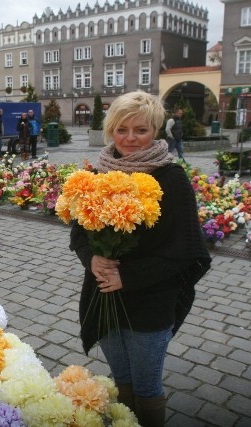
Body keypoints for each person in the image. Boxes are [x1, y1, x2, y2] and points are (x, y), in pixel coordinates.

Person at [68, 91, 211, 426]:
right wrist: (91, 259)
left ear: (156, 130)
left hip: (150, 303)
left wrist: (129, 276)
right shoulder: (98, 175)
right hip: (102, 295)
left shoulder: (171, 178)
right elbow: (78, 233)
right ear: (110, 131)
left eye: (141, 129)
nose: (130, 138)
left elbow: (187, 250)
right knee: (122, 379)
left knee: (146, 385)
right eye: (122, 129)